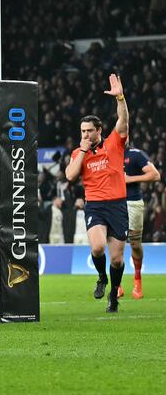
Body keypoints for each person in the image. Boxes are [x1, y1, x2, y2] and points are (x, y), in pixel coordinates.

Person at [65, 74, 128, 313]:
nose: (85, 135)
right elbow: (70, 176)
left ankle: (114, 293)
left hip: (118, 205)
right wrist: (82, 150)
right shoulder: (78, 153)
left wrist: (120, 98)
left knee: (117, 259)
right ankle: (102, 277)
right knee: (98, 248)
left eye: (89, 131)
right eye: (82, 131)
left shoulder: (113, 143)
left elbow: (123, 121)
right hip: (95, 206)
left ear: (99, 130)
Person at [121, 144, 161, 299]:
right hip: (112, 203)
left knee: (135, 244)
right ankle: (116, 285)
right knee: (115, 244)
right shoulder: (107, 153)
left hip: (132, 203)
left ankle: (137, 278)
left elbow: (155, 175)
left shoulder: (136, 154)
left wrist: (130, 179)